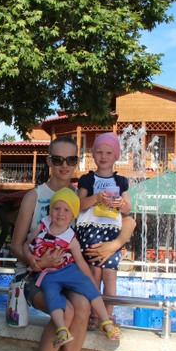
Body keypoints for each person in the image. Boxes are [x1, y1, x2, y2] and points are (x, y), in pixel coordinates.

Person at [11, 135, 135, 351]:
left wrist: (114, 245)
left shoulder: (84, 194)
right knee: (66, 310)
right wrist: (37, 261)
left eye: (70, 159)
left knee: (82, 305)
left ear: (77, 162)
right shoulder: (35, 197)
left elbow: (128, 219)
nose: (64, 165)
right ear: (49, 161)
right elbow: (16, 245)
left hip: (67, 274)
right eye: (58, 159)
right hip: (34, 275)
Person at [24, 188, 121, 347]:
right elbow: (27, 244)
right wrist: (30, 258)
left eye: (66, 210)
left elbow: (81, 263)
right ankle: (61, 329)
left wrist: (91, 280)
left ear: (73, 215)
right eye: (56, 208)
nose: (60, 213)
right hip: (48, 273)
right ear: (51, 210)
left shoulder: (71, 238)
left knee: (89, 288)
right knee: (51, 295)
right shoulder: (42, 226)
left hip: (68, 271)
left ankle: (106, 321)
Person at [76, 132, 132, 329]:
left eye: (109, 152)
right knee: (95, 272)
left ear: (116, 156)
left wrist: (120, 203)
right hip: (90, 229)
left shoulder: (121, 181)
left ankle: (108, 315)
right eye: (99, 152)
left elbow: (128, 208)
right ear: (93, 154)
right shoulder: (87, 179)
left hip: (111, 231)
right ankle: (94, 313)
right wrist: (97, 198)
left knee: (110, 274)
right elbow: (79, 205)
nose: (104, 156)